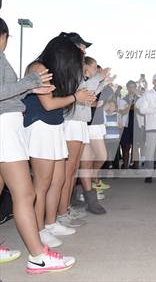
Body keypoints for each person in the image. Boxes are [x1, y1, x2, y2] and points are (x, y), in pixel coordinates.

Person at [0, 17, 75, 273]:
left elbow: (9, 91)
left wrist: (29, 90)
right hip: (5, 127)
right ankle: (37, 256)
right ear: (4, 36)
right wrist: (31, 83)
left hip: (7, 124)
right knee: (26, 193)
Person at [23, 37, 95, 247]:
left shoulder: (53, 71)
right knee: (42, 184)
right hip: (40, 128)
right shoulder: (37, 67)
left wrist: (77, 96)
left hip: (54, 128)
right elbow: (47, 104)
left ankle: (51, 222)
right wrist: (76, 97)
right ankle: (38, 230)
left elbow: (58, 103)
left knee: (58, 180)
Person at [79, 57, 114, 214]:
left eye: (98, 70)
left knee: (94, 159)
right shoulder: (84, 82)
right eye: (95, 69)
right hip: (88, 124)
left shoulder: (98, 84)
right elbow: (87, 101)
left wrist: (106, 83)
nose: (97, 72)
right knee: (98, 157)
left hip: (98, 124)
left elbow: (105, 98)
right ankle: (89, 187)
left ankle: (90, 188)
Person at [119, 80, 140, 169]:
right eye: (130, 87)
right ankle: (125, 165)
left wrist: (130, 107)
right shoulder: (123, 99)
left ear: (135, 88)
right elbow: (122, 112)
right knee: (125, 146)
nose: (131, 89)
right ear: (127, 88)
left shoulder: (140, 99)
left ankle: (136, 165)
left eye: (133, 87)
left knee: (136, 146)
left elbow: (141, 110)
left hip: (137, 125)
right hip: (126, 126)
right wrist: (132, 106)